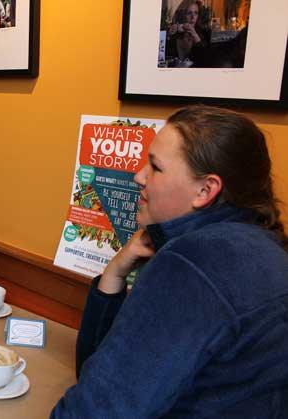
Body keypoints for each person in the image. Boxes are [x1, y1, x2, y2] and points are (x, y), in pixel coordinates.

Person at [51, 105, 288, 418]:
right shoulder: (267, 247)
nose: (138, 176)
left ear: (205, 190)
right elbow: (99, 372)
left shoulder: (191, 264)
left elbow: (97, 409)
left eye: (155, 167)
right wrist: (116, 270)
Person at [166, 0, 209, 67]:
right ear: (182, 14)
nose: (193, 17)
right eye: (189, 13)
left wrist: (195, 35)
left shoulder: (204, 33)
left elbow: (205, 60)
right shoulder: (174, 33)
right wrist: (168, 36)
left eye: (196, 13)